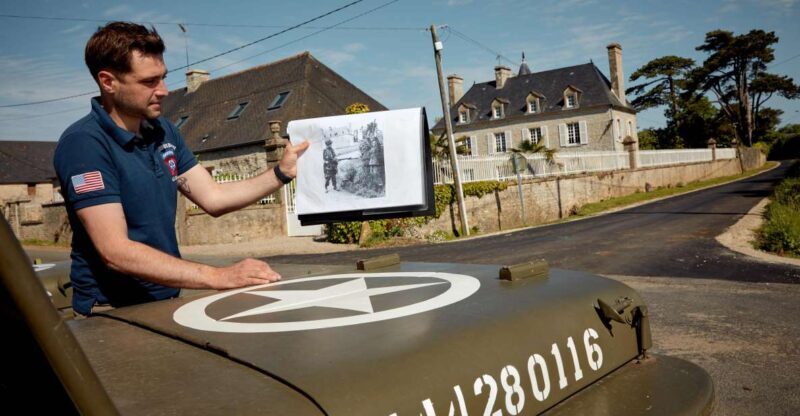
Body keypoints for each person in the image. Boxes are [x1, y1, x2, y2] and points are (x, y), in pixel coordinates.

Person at [53, 22, 309, 317]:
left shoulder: (162, 131)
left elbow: (213, 197)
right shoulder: (84, 144)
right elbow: (115, 251)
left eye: (163, 78)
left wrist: (281, 173)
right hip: (111, 313)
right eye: (149, 81)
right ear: (108, 82)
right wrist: (218, 277)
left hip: (164, 301)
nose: (163, 90)